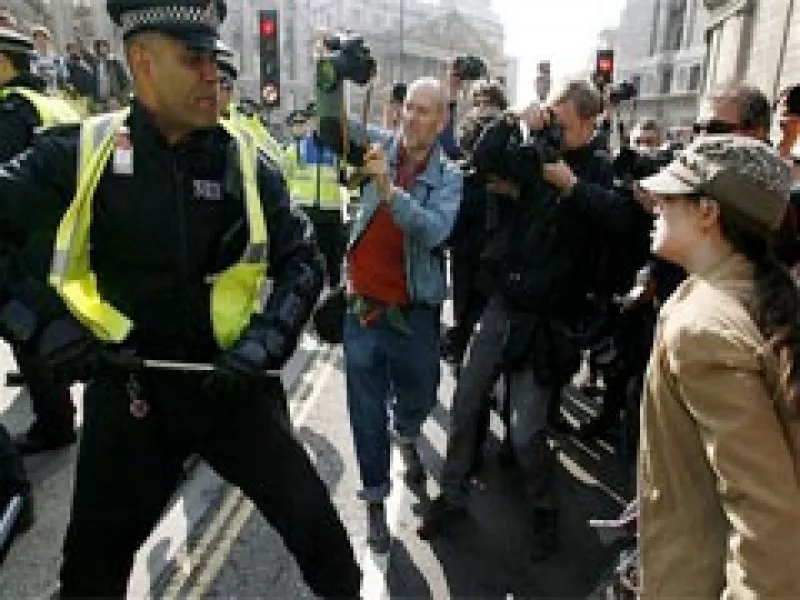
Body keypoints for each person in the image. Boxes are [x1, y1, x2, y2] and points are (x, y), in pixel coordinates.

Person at [0, 1, 361, 596]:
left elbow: (303, 261)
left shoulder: (244, 159)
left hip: (232, 385)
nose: (211, 76)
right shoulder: (81, 150)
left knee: (323, 544)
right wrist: (42, 329)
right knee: (89, 576)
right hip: (130, 389)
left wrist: (266, 343)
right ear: (142, 61)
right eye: (192, 59)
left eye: (215, 61)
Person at [419, 81, 637, 561]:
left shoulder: (599, 169)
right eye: (550, 118)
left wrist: (572, 187)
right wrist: (517, 118)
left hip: (549, 320)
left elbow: (625, 222)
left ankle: (544, 509)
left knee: (525, 433)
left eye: (561, 121)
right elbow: (485, 156)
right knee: (467, 401)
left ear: (587, 123)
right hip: (504, 305)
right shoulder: (536, 153)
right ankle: (451, 496)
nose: (553, 128)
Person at [636, 134, 800, 597]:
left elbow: (765, 515)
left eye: (670, 196)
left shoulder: (703, 329)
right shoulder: (754, 292)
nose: (656, 206)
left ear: (708, 213)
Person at [344, 76, 462, 552]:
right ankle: (375, 497)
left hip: (414, 314)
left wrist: (389, 189)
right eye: (408, 108)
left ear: (442, 120)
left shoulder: (450, 176)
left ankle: (408, 431)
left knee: (421, 391)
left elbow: (434, 232)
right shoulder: (379, 145)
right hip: (363, 308)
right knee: (364, 410)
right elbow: (333, 124)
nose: (411, 118)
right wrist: (331, 69)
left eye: (424, 111)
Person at [0, 27, 79, 455]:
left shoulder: (11, 111)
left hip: (28, 241)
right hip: (66, 233)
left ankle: (54, 424)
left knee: (28, 331)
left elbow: (8, 188)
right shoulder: (56, 103)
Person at [284, 103, 347, 287]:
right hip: (304, 216)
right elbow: (283, 183)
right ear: (309, 121)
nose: (318, 122)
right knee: (305, 267)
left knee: (333, 267)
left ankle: (332, 306)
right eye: (314, 118)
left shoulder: (337, 150)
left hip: (331, 217)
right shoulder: (295, 151)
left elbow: (349, 181)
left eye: (322, 118)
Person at [84, 37, 130, 111]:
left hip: (115, 103)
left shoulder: (115, 63)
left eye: (103, 46)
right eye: (98, 46)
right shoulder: (95, 64)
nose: (100, 49)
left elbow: (127, 83)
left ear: (107, 48)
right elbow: (84, 54)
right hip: (100, 104)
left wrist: (120, 100)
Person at [30, 25, 66, 93]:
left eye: (42, 36)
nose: (39, 40)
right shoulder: (30, 57)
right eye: (36, 37)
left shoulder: (57, 58)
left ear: (47, 39)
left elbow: (63, 78)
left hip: (53, 94)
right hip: (36, 94)